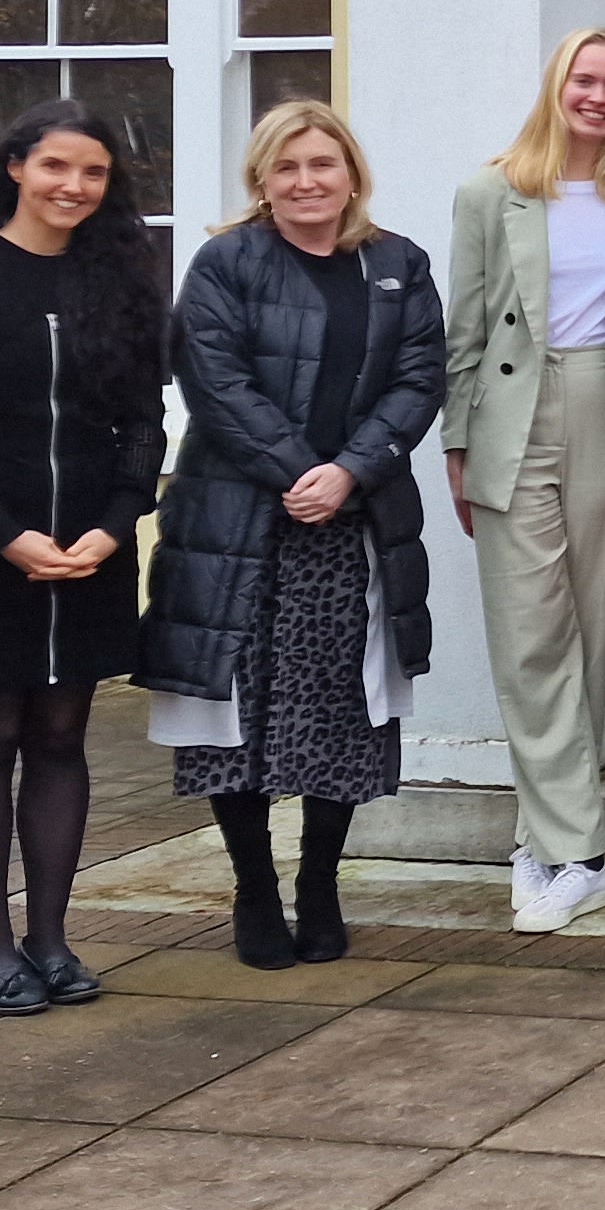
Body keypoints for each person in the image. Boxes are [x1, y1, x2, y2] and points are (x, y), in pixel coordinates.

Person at [144, 102, 445, 974]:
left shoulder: (397, 264)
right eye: (288, 168)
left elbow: (420, 375)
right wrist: (294, 471)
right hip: (238, 524)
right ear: (261, 182)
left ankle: (320, 882)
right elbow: (214, 378)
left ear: (352, 172)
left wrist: (349, 470)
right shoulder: (225, 263)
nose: (307, 182)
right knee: (234, 714)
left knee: (334, 708)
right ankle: (254, 889)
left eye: (323, 164)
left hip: (351, 524)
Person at [0, 100, 168, 1016]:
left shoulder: (125, 280)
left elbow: (144, 420)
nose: (74, 186)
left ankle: (51, 938)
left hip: (93, 548)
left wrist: (115, 522)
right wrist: (1, 533)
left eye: (94, 173)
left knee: (62, 739)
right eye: (57, 166)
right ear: (16, 167)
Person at [444, 27, 605, 933]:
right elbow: (461, 330)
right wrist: (457, 444)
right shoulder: (490, 190)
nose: (601, 97)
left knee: (587, 631)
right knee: (531, 638)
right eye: (587, 79)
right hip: (514, 418)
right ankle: (576, 851)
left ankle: (543, 835)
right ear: (558, 83)